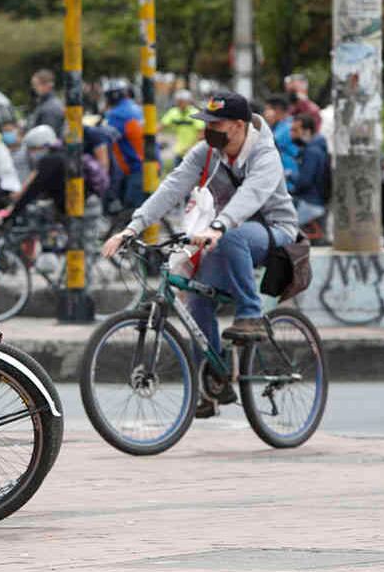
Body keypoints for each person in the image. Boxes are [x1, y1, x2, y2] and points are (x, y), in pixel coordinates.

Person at [102, 92, 298, 418]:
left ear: (238, 126)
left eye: (215, 123)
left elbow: (252, 195)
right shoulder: (208, 151)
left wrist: (220, 225)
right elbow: (173, 186)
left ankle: (250, 316)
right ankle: (211, 383)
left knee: (233, 235)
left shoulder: (265, 154)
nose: (208, 129)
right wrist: (132, 228)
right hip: (221, 236)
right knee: (196, 300)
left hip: (271, 231)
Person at [0, 125, 67, 225]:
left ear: (44, 145)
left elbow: (33, 189)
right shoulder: (62, 154)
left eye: (33, 149)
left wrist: (11, 215)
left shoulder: (51, 161)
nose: (32, 153)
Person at [103, 78, 146, 210]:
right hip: (147, 164)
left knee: (132, 211)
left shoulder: (116, 114)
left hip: (135, 167)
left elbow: (107, 136)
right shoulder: (136, 109)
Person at [289, 114, 329, 230]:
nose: (292, 134)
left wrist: (289, 176)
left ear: (307, 131)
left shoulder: (312, 152)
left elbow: (304, 181)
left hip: (310, 203)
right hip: (314, 202)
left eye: (295, 130)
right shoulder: (316, 148)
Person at [159, 89, 204, 168]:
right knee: (177, 176)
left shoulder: (195, 113)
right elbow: (161, 125)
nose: (179, 104)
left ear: (188, 101)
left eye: (181, 101)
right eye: (178, 101)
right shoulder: (173, 112)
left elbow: (202, 133)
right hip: (179, 151)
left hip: (193, 151)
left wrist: (191, 147)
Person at [263, 95, 299, 186]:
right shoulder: (279, 126)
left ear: (277, 110)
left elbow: (267, 143)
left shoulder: (288, 127)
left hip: (289, 180)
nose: (265, 113)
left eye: (267, 110)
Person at [27, 69, 66, 137]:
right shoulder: (45, 103)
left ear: (48, 85)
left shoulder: (50, 107)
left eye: (36, 85)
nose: (34, 88)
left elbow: (47, 137)